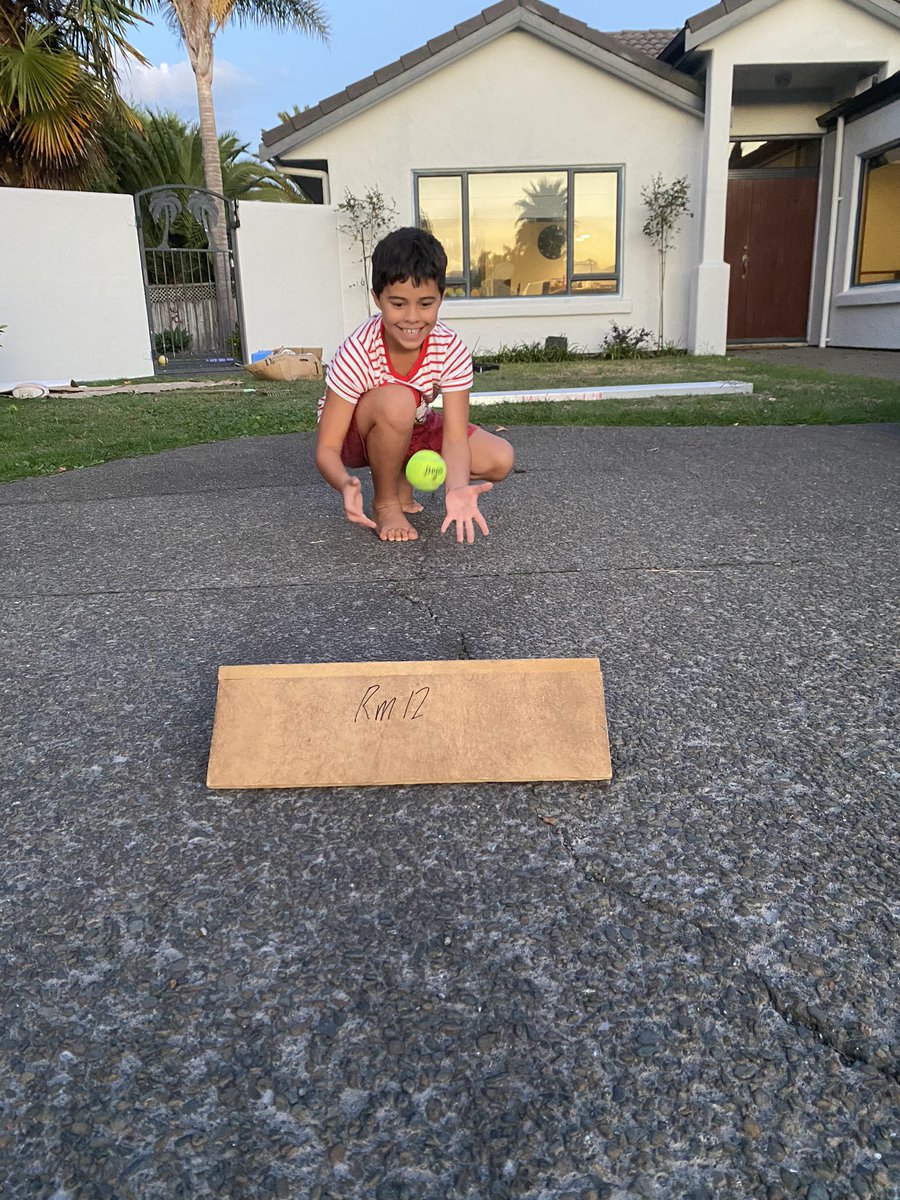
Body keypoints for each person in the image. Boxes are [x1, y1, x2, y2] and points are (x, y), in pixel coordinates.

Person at [315, 227, 514, 544]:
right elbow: (327, 447)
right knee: (399, 400)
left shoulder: (450, 348)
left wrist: (457, 487)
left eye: (425, 304)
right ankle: (386, 502)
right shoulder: (357, 351)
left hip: (413, 419)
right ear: (377, 298)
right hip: (357, 431)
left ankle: (401, 474)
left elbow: (454, 437)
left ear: (441, 298)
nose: (411, 318)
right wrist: (344, 484)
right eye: (397, 304)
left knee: (500, 458)